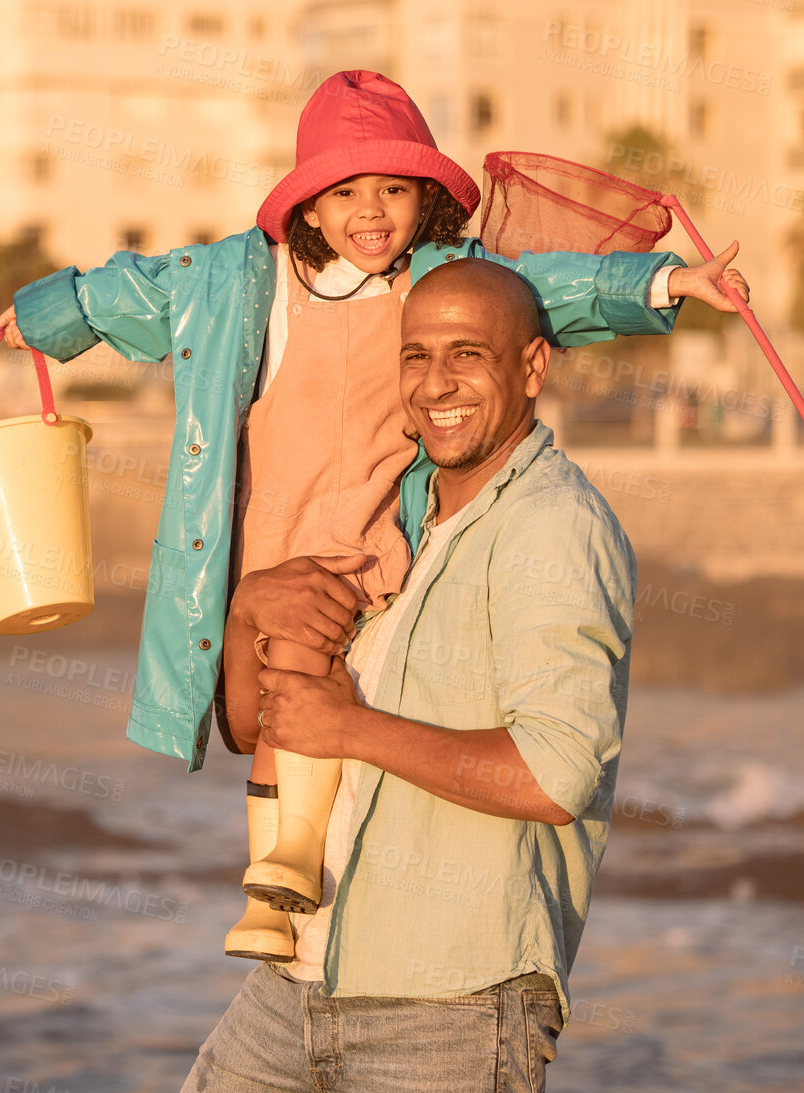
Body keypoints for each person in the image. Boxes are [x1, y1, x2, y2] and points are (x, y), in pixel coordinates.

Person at [0, 70, 745, 964]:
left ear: (424, 197)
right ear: (308, 208)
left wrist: (665, 282)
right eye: (346, 192)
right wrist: (47, 314)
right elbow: (135, 291)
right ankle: (279, 873)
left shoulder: (439, 277)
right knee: (280, 691)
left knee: (315, 679)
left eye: (393, 189)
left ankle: (289, 869)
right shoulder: (237, 279)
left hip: (369, 534)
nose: (373, 212)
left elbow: (551, 290)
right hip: (263, 534)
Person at [192, 257, 635, 1090]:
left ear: (534, 366)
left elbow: (556, 772)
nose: (436, 383)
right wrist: (249, 608)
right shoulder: (396, 514)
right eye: (415, 355)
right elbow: (259, 728)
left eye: (468, 354)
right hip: (299, 977)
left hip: (451, 1007)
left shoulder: (554, 527)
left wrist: (353, 728)